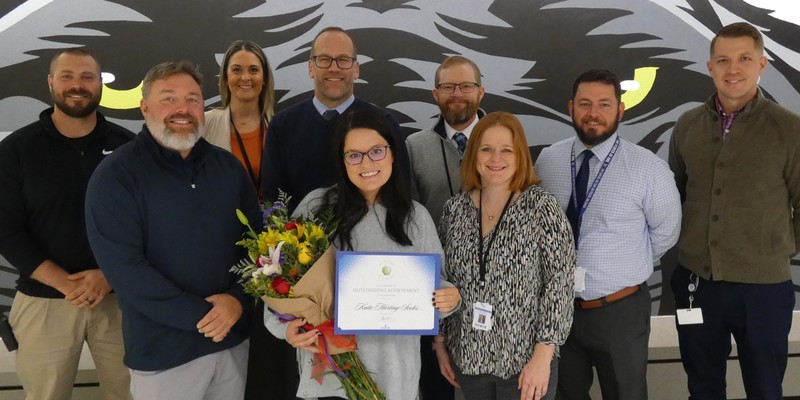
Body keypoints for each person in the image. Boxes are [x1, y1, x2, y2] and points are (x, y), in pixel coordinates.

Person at [84, 60, 261, 400]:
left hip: (232, 343)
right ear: (145, 107)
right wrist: (206, 316)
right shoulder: (116, 175)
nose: (183, 109)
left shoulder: (228, 167)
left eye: (193, 99)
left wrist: (238, 302)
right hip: (163, 353)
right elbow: (124, 269)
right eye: (169, 98)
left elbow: (256, 245)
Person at [265, 109, 461, 400]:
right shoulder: (316, 207)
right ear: (342, 161)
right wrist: (286, 329)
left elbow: (437, 286)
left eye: (377, 151)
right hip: (329, 373)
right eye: (354, 155)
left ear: (393, 154)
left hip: (396, 375)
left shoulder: (415, 217)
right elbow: (279, 284)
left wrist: (450, 298)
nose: (366, 163)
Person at [668, 22, 800, 399]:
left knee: (765, 386)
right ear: (710, 66)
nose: (733, 69)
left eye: (744, 58)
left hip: (763, 290)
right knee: (703, 386)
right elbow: (675, 196)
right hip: (696, 284)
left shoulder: (789, 130)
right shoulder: (687, 126)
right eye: (723, 59)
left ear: (763, 64)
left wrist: (775, 247)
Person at [535, 69, 681, 400]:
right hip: (559, 309)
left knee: (625, 394)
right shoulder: (548, 159)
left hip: (619, 309)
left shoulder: (648, 168)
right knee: (564, 394)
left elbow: (666, 234)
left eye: (604, 104)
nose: (593, 113)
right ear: (571, 107)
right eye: (585, 104)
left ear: (620, 110)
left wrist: (623, 265)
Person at [0, 48, 133, 400]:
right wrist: (63, 283)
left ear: (100, 84)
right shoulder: (16, 150)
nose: (78, 85)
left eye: (88, 77)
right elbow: (5, 228)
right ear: (50, 82)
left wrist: (107, 274)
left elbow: (146, 224)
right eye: (67, 76)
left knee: (132, 394)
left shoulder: (129, 148)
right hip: (44, 300)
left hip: (119, 298)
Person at [437, 111, 576, 400]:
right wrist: (440, 343)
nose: (495, 158)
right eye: (486, 149)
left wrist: (543, 356)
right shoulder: (454, 211)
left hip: (525, 362)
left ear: (520, 155)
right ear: (474, 154)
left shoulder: (542, 209)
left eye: (506, 150)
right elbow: (442, 279)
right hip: (469, 357)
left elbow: (559, 285)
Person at [405, 55, 486, 400]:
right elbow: (406, 221)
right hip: (434, 289)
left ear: (481, 92)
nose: (457, 94)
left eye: (465, 86)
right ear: (434, 94)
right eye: (448, 86)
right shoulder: (414, 147)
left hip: (491, 289)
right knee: (438, 389)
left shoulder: (504, 142)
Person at [261, 26, 409, 213]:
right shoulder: (282, 126)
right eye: (324, 59)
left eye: (343, 60)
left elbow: (401, 193)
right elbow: (274, 199)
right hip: (302, 239)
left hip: (370, 240)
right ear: (310, 68)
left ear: (356, 69)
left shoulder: (384, 123)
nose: (334, 68)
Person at [205, 40, 275, 197]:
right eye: (236, 70)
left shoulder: (279, 129)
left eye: (253, 70)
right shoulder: (203, 125)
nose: (245, 77)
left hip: (271, 220)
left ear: (263, 78)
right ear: (225, 78)